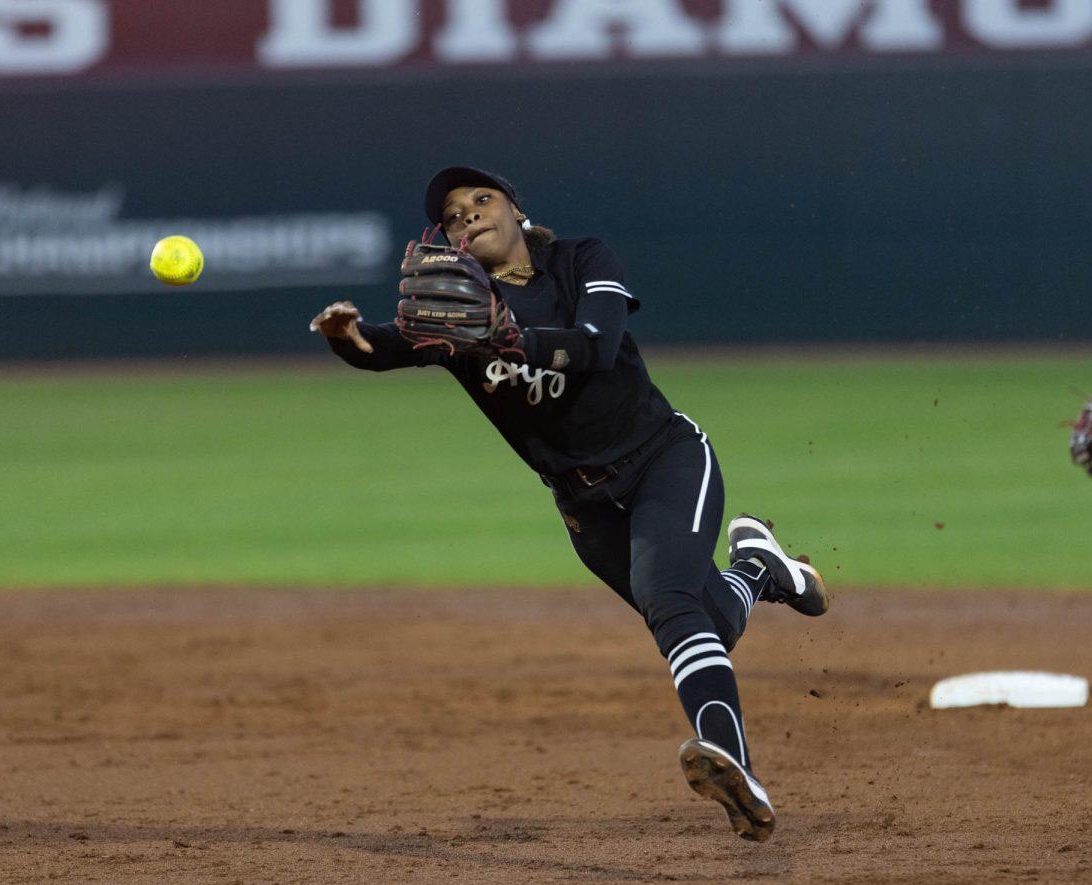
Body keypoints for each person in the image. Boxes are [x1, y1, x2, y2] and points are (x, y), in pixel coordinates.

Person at [310, 166, 828, 842]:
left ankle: (735, 763)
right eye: (452, 215)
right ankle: (758, 567)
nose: (465, 214)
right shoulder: (453, 313)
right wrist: (344, 336)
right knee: (711, 626)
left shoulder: (580, 258)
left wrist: (511, 340)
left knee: (668, 600)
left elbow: (598, 344)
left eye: (480, 200)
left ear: (517, 209)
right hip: (586, 507)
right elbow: (378, 347)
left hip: (664, 460)